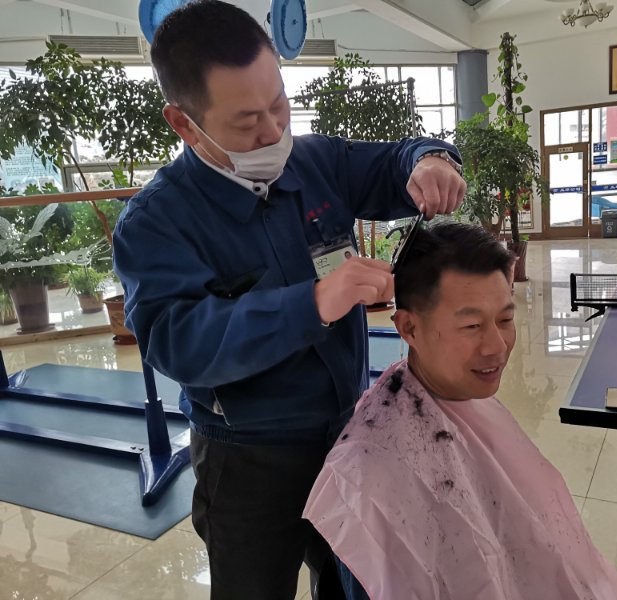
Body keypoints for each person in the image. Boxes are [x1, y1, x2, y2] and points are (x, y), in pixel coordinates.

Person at [112, 1, 466, 598]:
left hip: (347, 432)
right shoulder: (156, 222)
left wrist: (429, 160)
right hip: (247, 458)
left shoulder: (315, 161)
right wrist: (314, 302)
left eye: (279, 104)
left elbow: (391, 161)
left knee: (356, 580)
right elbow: (177, 341)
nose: (273, 132)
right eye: (246, 121)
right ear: (184, 123)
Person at [304, 223, 617, 600]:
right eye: (472, 325)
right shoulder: (369, 476)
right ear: (409, 328)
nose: (497, 345)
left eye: (505, 319)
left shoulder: (462, 392)